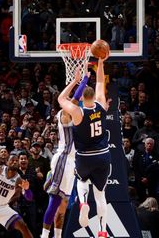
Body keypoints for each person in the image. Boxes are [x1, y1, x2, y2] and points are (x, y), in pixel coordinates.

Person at [57, 59, 111, 237]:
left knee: (81, 181)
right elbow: (101, 82)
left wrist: (75, 81)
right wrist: (100, 64)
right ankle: (102, 232)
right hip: (103, 155)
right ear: (94, 97)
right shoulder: (102, 105)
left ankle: (83, 203)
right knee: (101, 194)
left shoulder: (77, 112)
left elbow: (60, 99)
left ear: (81, 98)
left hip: (84, 156)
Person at [40, 76, 79, 238]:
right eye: (67, 99)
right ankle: (44, 235)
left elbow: (76, 99)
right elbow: (74, 98)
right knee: (55, 200)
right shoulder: (64, 114)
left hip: (71, 163)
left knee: (63, 204)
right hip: (63, 159)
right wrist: (79, 81)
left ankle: (57, 236)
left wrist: (83, 81)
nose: (71, 100)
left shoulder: (71, 112)